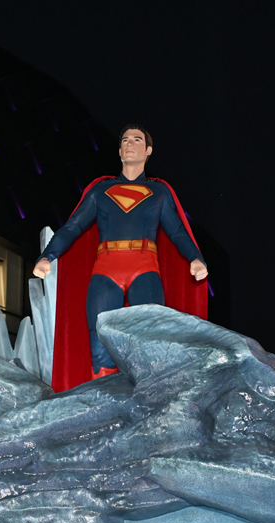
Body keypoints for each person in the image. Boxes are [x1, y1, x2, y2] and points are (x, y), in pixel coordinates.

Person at [33, 125, 208, 390]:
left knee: (151, 339)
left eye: (137, 140)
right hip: (106, 269)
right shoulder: (101, 190)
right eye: (125, 140)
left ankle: (151, 401)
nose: (129, 144)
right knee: (100, 340)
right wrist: (48, 255)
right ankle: (104, 401)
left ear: (148, 151)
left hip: (145, 268)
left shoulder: (159, 193)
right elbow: (73, 226)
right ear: (118, 151)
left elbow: (177, 231)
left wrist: (195, 258)